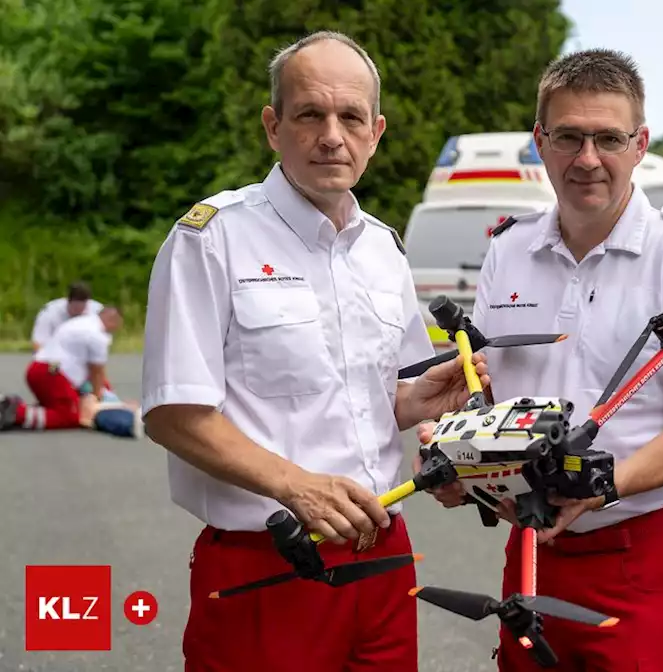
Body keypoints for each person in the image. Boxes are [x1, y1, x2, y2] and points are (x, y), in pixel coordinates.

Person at [138, 30, 488, 672]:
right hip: (268, 564)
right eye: (310, 114)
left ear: (375, 132)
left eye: (351, 116)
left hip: (384, 556)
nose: (333, 135)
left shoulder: (384, 248)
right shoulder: (211, 240)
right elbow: (173, 414)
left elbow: (371, 397)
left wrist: (420, 399)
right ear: (274, 126)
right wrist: (295, 486)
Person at [424, 48, 663, 671]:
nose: (587, 159)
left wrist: (600, 489)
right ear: (539, 142)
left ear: (640, 143)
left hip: (639, 549)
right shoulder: (509, 249)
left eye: (608, 137)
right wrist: (458, 460)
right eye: (569, 137)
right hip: (530, 539)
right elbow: (491, 400)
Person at [0, 306, 123, 432]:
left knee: (60, 407)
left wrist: (105, 389)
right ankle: (17, 413)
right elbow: (96, 372)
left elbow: (92, 371)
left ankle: (16, 409)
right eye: (118, 326)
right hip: (51, 373)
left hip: (38, 369)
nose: (116, 330)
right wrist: (97, 400)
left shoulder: (81, 322)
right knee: (70, 416)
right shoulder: (98, 336)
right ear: (113, 320)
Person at [30, 282, 104, 352]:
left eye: (82, 308)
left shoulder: (97, 311)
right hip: (54, 352)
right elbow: (38, 343)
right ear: (68, 301)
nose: (78, 312)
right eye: (75, 308)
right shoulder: (50, 312)